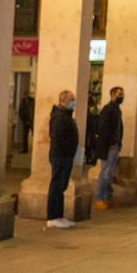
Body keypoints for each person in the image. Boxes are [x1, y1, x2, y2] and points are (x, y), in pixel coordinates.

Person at [46, 89, 78, 229]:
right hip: (60, 156)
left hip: (66, 156)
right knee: (56, 186)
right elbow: (59, 138)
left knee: (61, 186)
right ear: (64, 101)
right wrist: (67, 151)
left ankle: (59, 216)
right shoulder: (59, 117)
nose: (74, 103)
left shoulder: (66, 115)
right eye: (72, 100)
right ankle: (53, 217)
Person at [93, 86, 124, 209]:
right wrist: (111, 143)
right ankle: (100, 198)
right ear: (112, 95)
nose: (121, 97)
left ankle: (107, 197)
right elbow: (103, 128)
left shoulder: (116, 109)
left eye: (122, 94)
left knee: (110, 173)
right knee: (105, 172)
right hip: (108, 147)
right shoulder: (108, 109)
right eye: (119, 94)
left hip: (114, 146)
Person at [18, 88, 35, 154]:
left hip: (31, 121)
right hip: (25, 121)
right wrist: (22, 118)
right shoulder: (23, 101)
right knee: (25, 136)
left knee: (34, 135)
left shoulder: (32, 101)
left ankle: (34, 149)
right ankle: (25, 149)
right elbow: (20, 110)